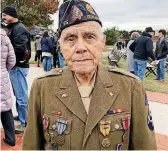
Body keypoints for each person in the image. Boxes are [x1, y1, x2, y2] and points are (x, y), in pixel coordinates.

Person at [23, 0, 156, 150]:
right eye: (70, 39)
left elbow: (145, 146)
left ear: (102, 42)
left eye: (89, 37)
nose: (80, 48)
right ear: (60, 46)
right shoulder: (43, 87)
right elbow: (31, 146)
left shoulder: (130, 87)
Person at [2, 6, 31, 134]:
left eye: (5, 15)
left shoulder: (19, 29)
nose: (3, 17)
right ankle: (21, 116)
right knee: (18, 94)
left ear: (12, 15)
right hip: (15, 67)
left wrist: (12, 61)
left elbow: (21, 50)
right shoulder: (12, 27)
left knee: (21, 96)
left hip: (18, 67)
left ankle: (24, 124)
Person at [0, 28, 16, 146]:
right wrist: (3, 70)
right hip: (2, 76)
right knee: (5, 107)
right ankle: (11, 139)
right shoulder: (4, 37)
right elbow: (12, 59)